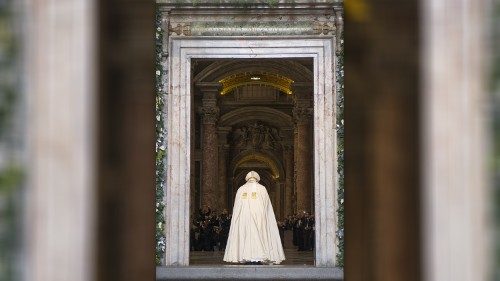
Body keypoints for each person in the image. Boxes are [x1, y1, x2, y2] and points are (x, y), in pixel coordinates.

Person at [223, 171, 285, 264]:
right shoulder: (262, 188)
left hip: (244, 218)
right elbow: (267, 207)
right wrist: (266, 218)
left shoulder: (241, 189)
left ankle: (243, 255)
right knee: (260, 234)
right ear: (257, 178)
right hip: (259, 217)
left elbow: (236, 208)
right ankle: (259, 256)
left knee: (245, 234)